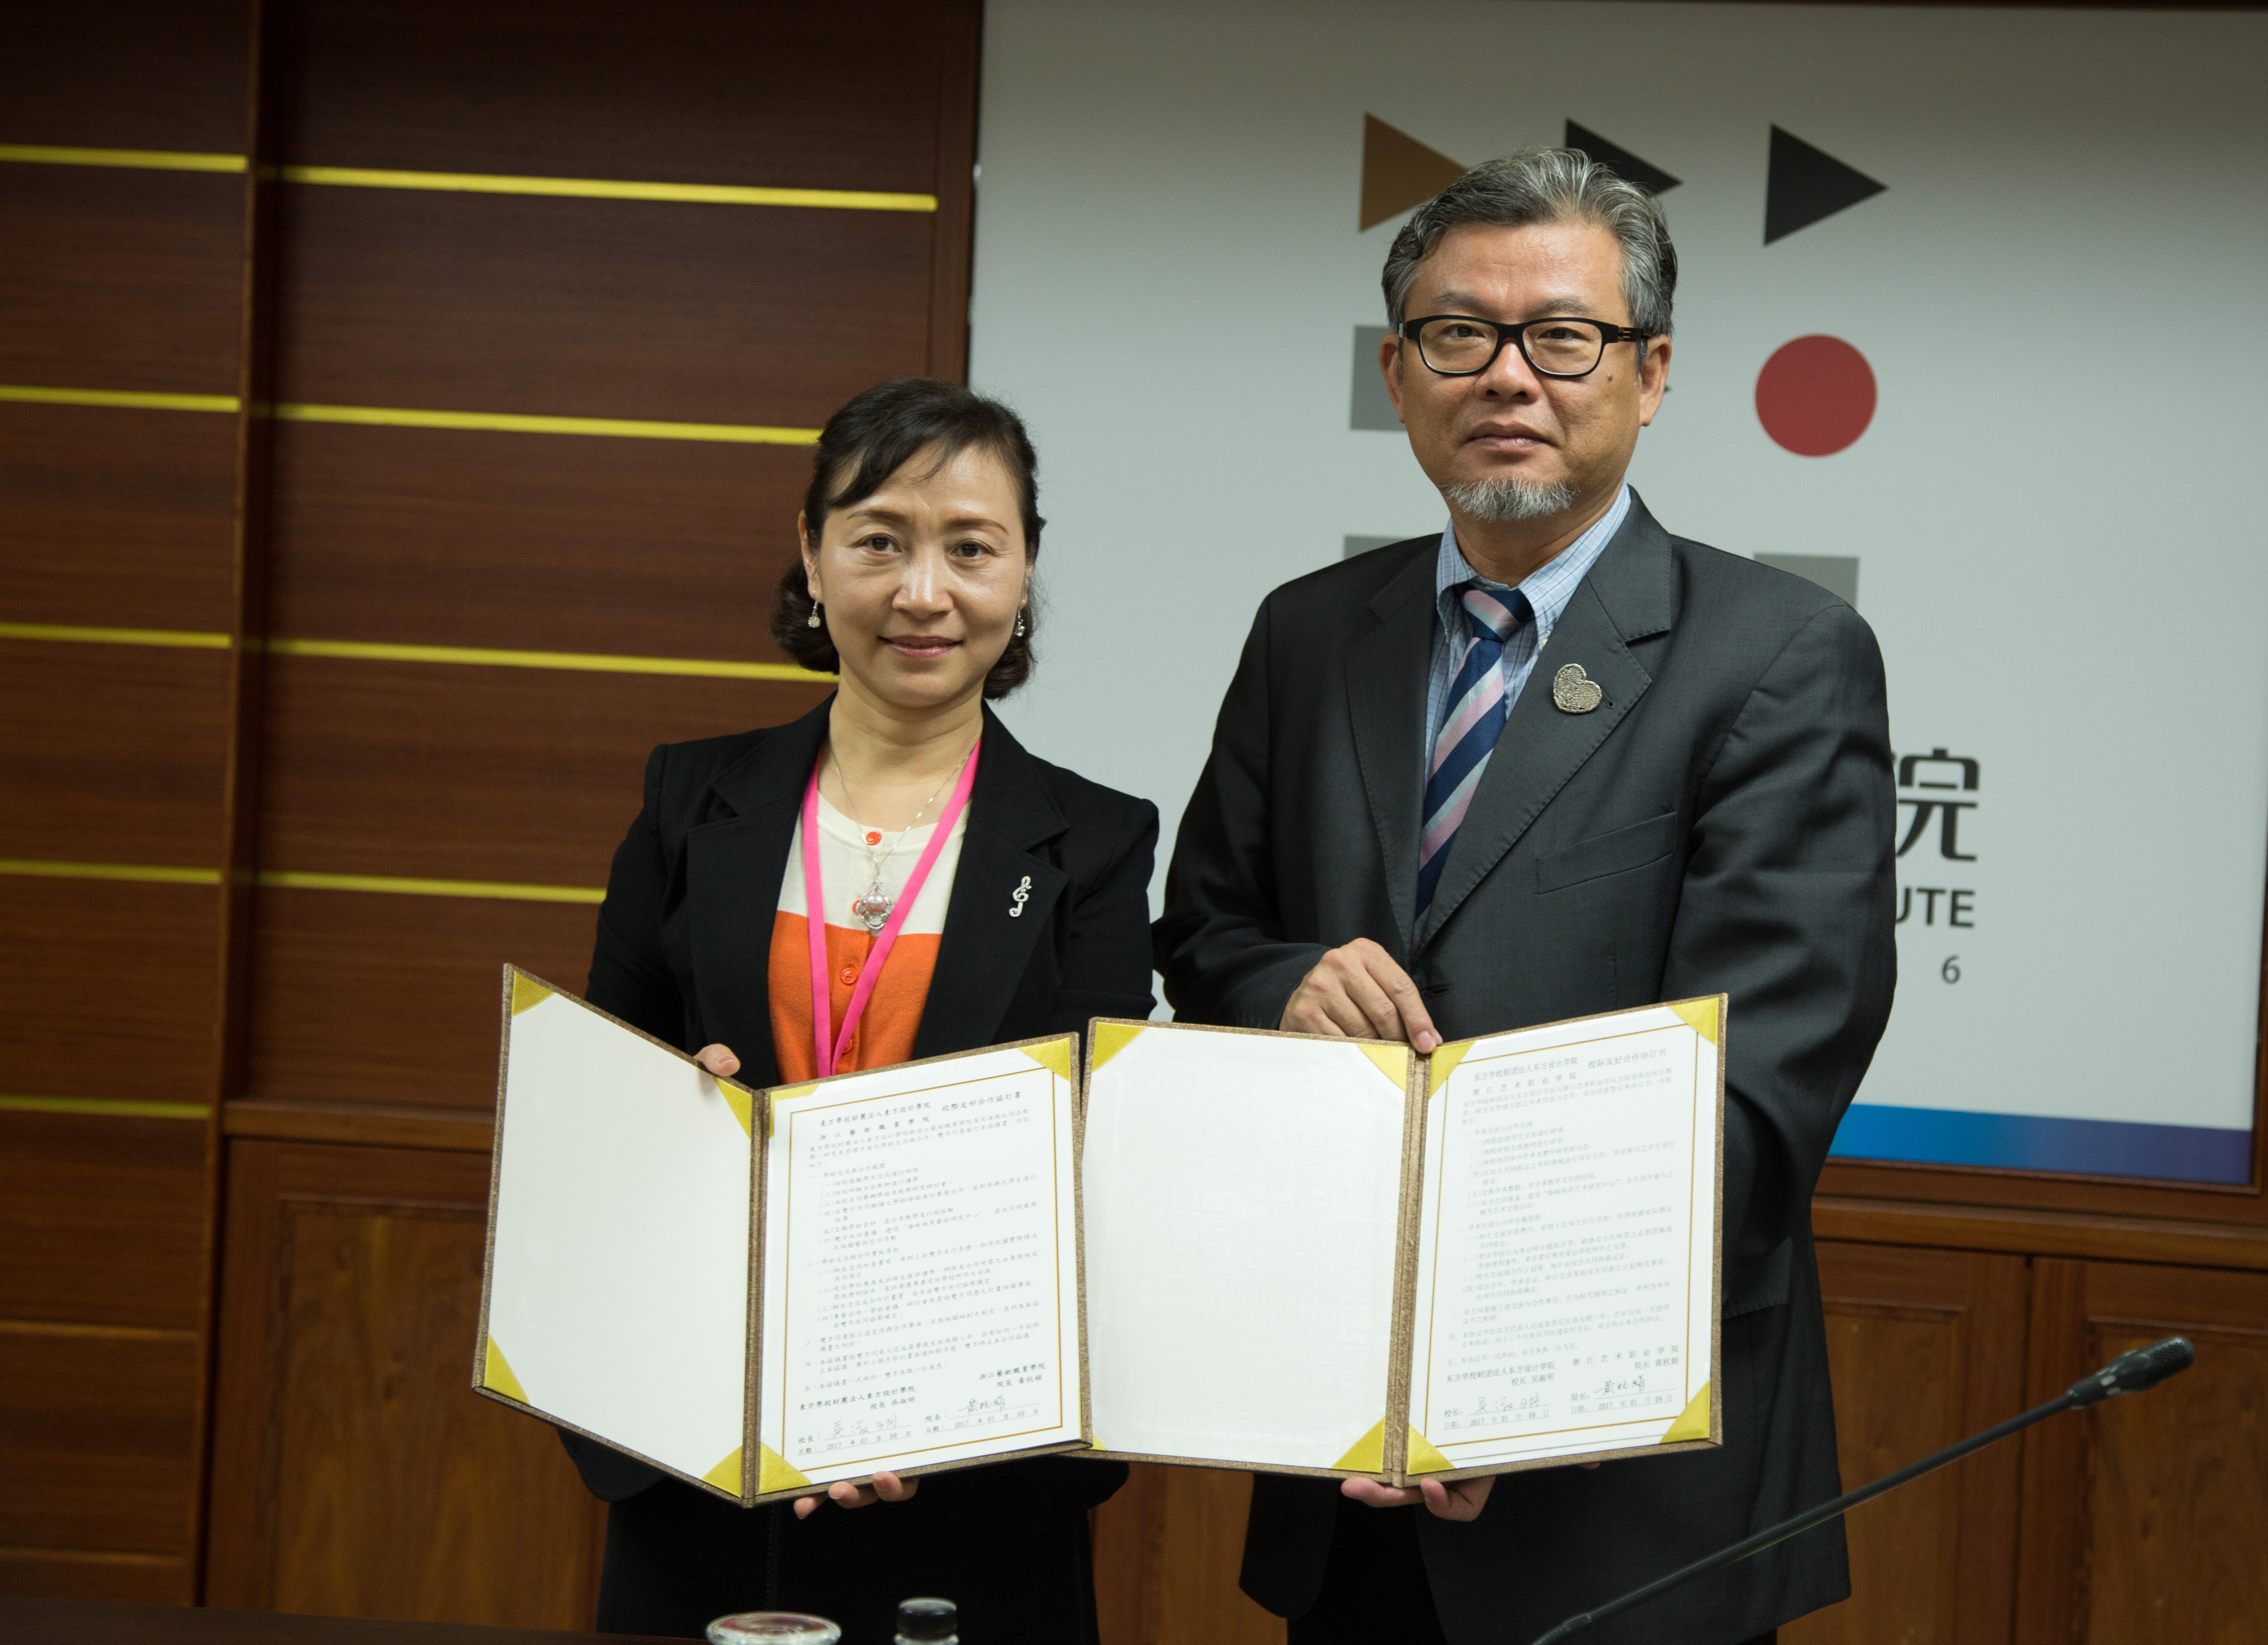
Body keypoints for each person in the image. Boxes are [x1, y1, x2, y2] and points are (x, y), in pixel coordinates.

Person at [1154, 148, 1896, 1644]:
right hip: (1343, 1442)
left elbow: (1765, 1079)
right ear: (1398, 371)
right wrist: (1284, 983)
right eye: (1458, 334)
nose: (1508, 375)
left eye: (1563, 336)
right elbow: (1208, 932)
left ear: (1651, 372)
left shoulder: (1776, 653)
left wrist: (1516, 1375)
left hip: (1622, 1486)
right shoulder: (1310, 636)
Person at [565, 377, 1156, 1642]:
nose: (923, 592)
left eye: (971, 548)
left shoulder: (1096, 844)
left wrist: (914, 1394)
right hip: (707, 1433)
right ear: (812, 552)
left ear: (1026, 568)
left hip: (972, 1466)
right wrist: (672, 1104)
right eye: (880, 540)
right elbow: (597, 1114)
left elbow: (1089, 1167)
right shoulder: (689, 804)